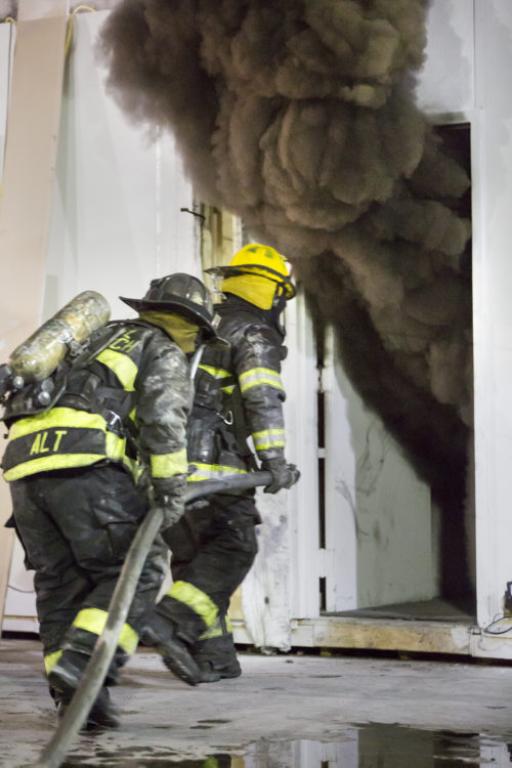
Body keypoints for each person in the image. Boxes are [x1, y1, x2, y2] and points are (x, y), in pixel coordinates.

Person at [1, 273, 216, 728]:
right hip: (84, 463)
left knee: (60, 586)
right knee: (133, 572)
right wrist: (170, 486)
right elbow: (163, 417)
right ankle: (83, 662)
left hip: (23, 468)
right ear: (191, 325)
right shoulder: (161, 348)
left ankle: (76, 699)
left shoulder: (93, 337)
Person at [147, 243, 300, 685]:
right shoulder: (252, 333)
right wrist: (276, 461)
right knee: (234, 548)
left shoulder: (193, 324)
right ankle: (171, 619)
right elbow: (261, 397)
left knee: (194, 560)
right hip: (214, 468)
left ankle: (213, 656)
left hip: (166, 463)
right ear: (272, 292)